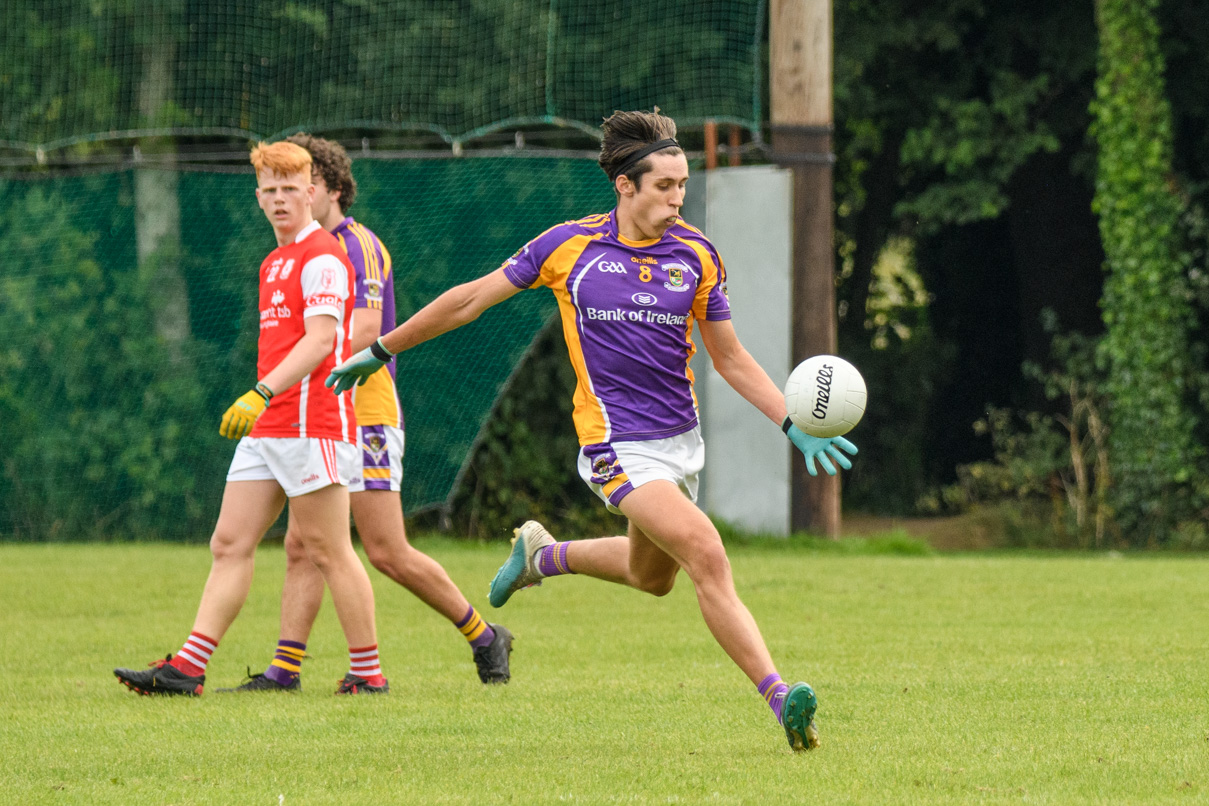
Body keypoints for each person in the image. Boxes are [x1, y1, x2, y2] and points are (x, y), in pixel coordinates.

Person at [326, 109, 858, 750]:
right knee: (707, 554)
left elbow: (731, 357)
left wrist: (789, 423)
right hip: (614, 444)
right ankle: (781, 700)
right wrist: (384, 347)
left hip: (678, 445)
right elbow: (470, 298)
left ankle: (543, 556)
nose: (678, 197)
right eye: (665, 185)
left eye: (683, 184)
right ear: (625, 186)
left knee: (652, 576)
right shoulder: (567, 246)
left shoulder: (695, 255)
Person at [220, 134, 511, 692]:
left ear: (324, 188)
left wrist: (300, 369)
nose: (290, 195)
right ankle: (284, 670)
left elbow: (365, 331)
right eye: (276, 186)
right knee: (302, 543)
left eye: (302, 183)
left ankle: (482, 633)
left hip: (366, 410)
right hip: (323, 412)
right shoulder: (299, 253)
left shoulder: (357, 245)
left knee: (384, 549)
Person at [115, 141, 389, 696]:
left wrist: (259, 392)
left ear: (313, 191)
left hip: (311, 425)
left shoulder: (324, 257)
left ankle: (369, 674)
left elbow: (321, 342)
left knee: (328, 550)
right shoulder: (273, 260)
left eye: (291, 188)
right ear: (258, 197)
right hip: (269, 426)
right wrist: (264, 403)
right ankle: (187, 670)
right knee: (229, 543)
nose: (281, 198)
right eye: (270, 189)